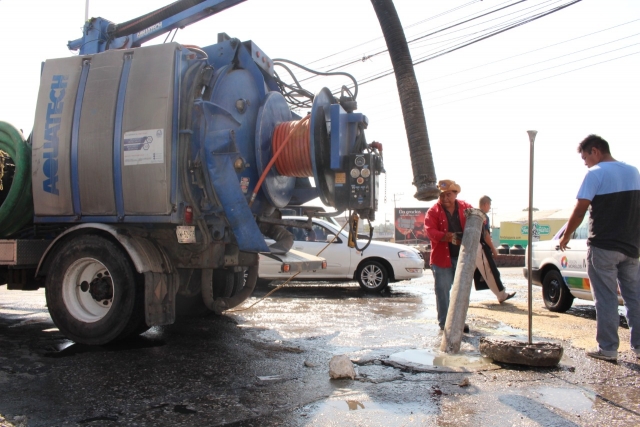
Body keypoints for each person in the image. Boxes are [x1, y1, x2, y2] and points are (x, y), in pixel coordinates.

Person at [559, 134, 640, 362]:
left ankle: (608, 349)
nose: (585, 162)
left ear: (595, 151)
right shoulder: (633, 172)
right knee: (634, 298)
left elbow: (580, 209)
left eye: (585, 157)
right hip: (631, 247)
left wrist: (566, 236)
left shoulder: (596, 173)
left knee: (605, 298)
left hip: (603, 246)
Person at [425, 180, 472, 332]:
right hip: (441, 259)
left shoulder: (466, 208)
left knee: (461, 291)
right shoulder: (433, 211)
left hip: (462, 257)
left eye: (448, 195)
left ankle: (458, 321)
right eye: (442, 195)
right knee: (443, 291)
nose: (445, 198)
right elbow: (430, 231)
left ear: (456, 194)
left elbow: (478, 222)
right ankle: (445, 323)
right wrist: (446, 236)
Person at [475, 196, 516, 303]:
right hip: (479, 247)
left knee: (466, 274)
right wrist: (493, 248)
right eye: (489, 205)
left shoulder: (473, 215)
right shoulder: (483, 216)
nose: (489, 207)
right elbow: (485, 235)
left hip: (469, 248)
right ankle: (502, 295)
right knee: (490, 272)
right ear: (485, 204)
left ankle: (458, 299)